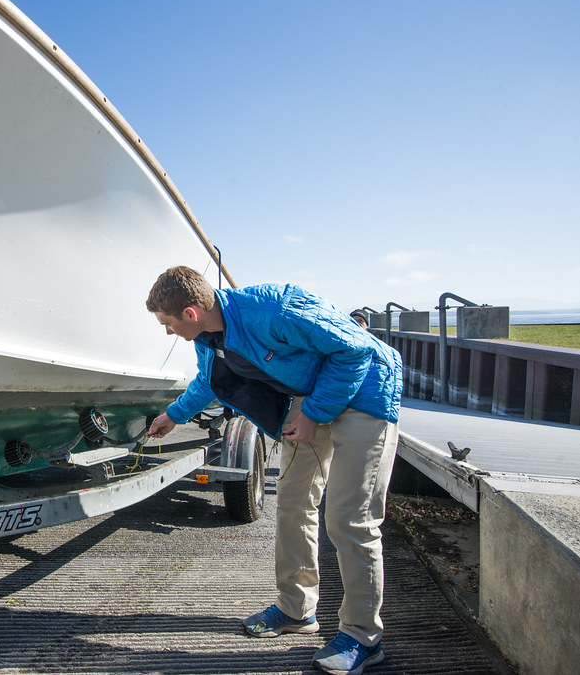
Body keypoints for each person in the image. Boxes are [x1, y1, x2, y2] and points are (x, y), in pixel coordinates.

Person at [145, 266, 402, 675]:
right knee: (293, 503)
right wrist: (173, 416)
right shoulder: (209, 338)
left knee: (350, 519)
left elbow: (355, 350)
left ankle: (363, 637)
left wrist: (315, 414)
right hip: (312, 396)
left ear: (191, 313)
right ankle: (297, 609)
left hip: (367, 391)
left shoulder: (274, 308)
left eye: (168, 323)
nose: (167, 332)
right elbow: (209, 382)